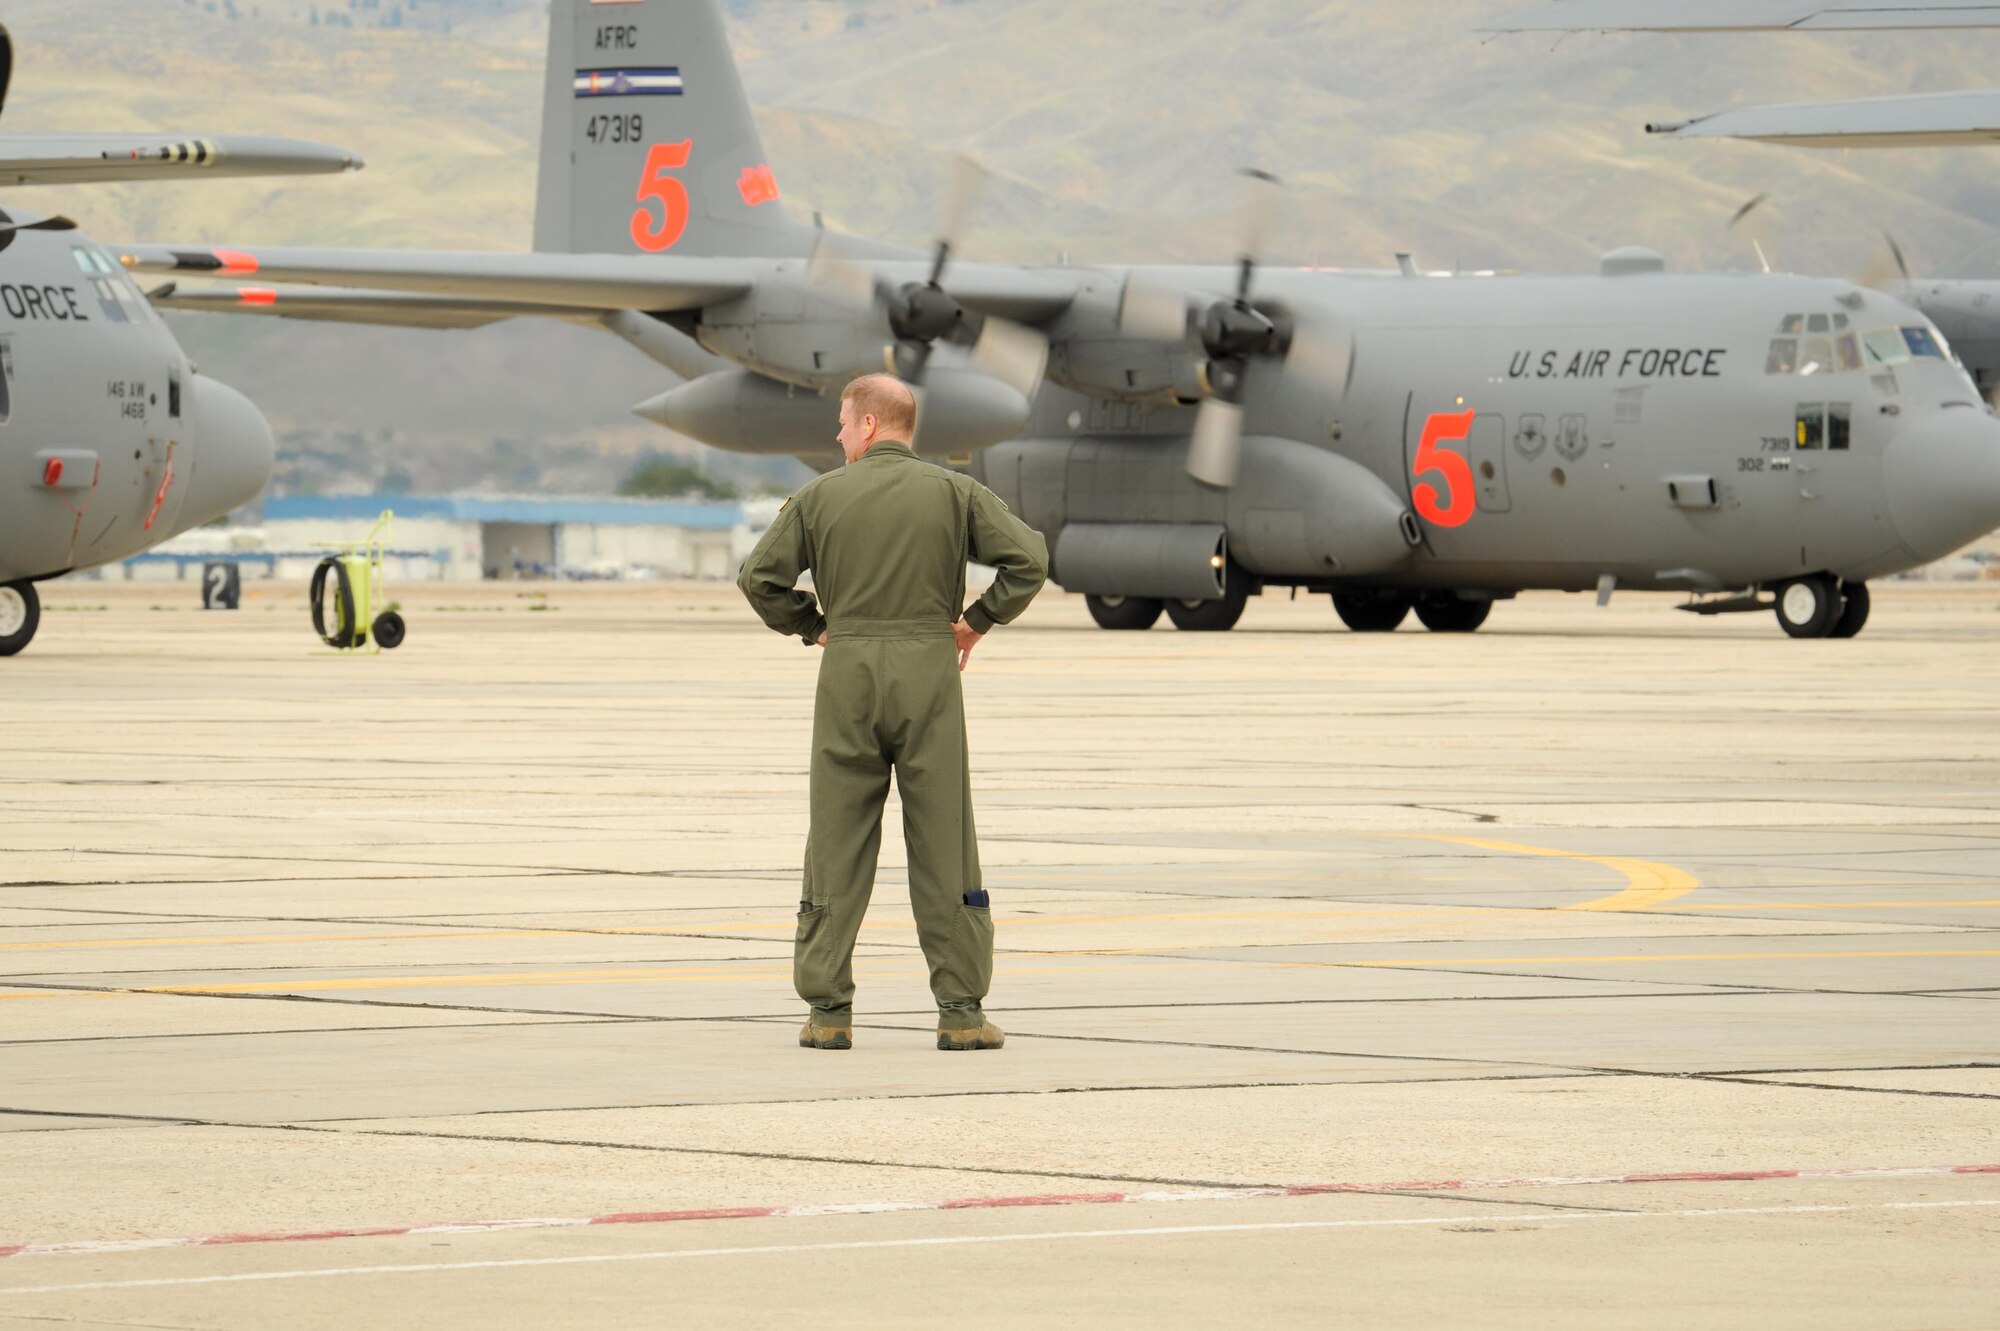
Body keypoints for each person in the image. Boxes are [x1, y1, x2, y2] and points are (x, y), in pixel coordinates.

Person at [737, 374, 1049, 1052]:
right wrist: (974, 623)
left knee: (836, 839)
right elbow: (1029, 559)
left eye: (845, 423)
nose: (839, 435)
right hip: (929, 670)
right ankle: (961, 1012)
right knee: (944, 839)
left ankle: (828, 1010)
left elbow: (758, 578)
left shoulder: (819, 497)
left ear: (871, 425)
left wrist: (814, 625)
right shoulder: (956, 493)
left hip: (847, 672)